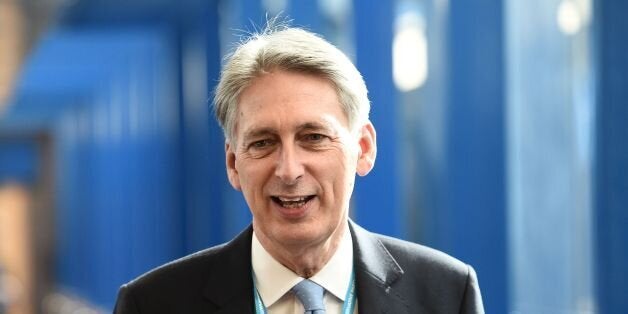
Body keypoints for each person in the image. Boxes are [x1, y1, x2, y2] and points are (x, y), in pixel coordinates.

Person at [114, 24, 484, 314]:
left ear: (364, 148)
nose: (288, 170)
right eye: (263, 143)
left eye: (314, 137)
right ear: (232, 163)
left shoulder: (447, 294)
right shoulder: (153, 304)